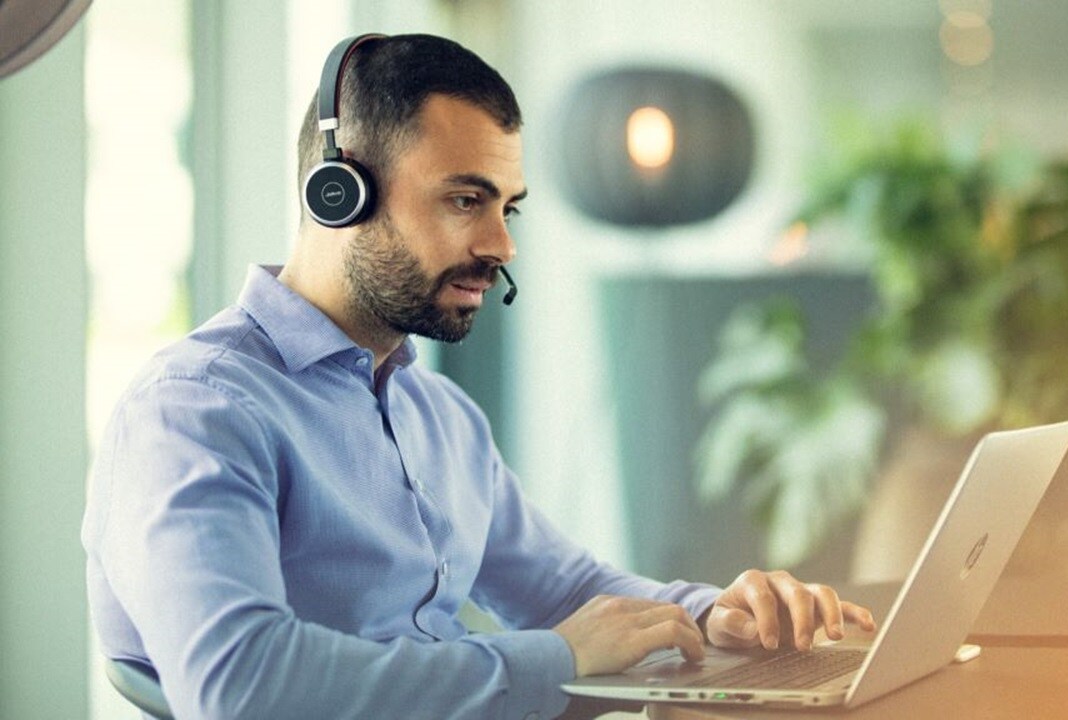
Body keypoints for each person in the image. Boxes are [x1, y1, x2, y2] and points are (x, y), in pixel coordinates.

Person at [82, 33, 875, 720]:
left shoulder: (438, 413)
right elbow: (240, 688)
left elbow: (563, 588)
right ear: (339, 194)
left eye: (509, 208)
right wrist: (555, 660)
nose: (502, 244)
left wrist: (709, 615)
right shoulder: (196, 411)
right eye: (466, 199)